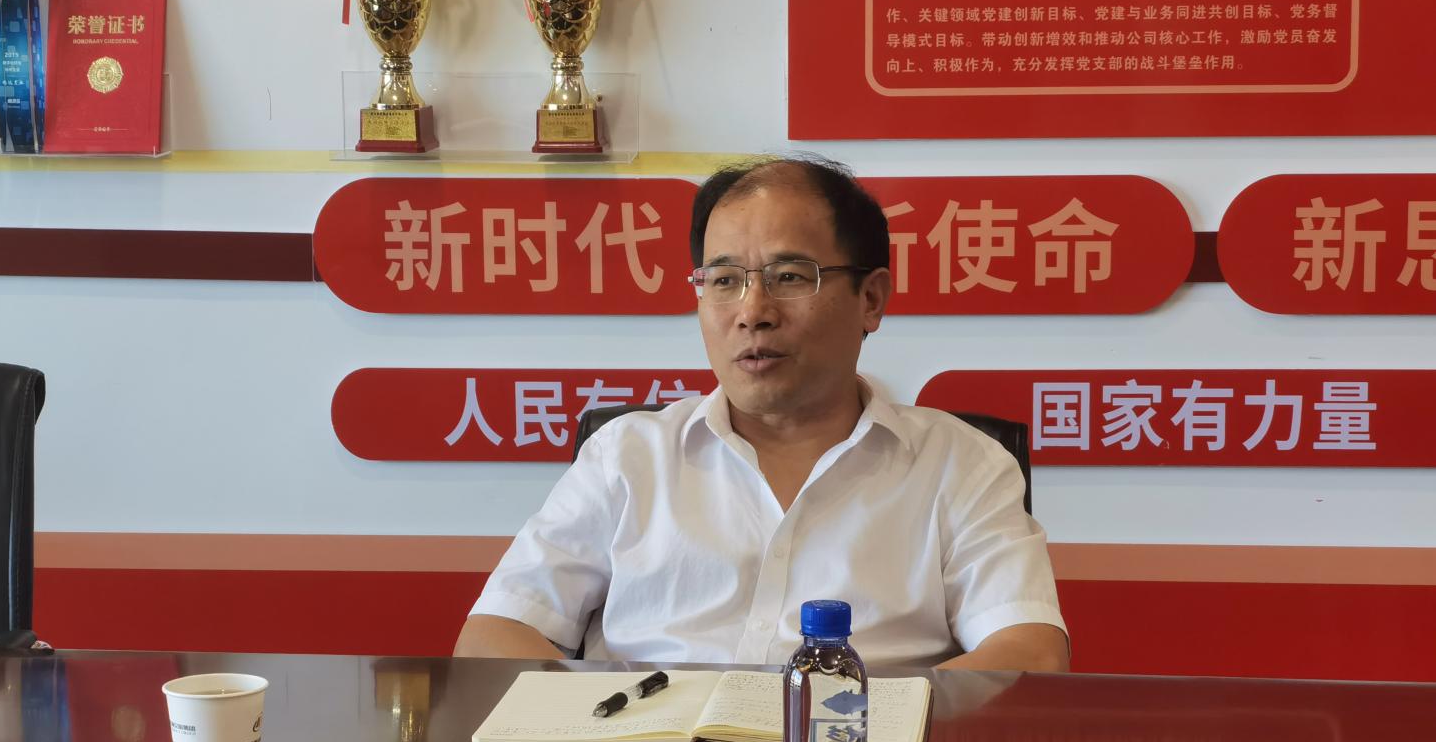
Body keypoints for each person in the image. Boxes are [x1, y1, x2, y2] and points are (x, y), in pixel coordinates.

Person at [455, 156, 1068, 672]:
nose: (752, 312)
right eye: (724, 280)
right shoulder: (627, 455)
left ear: (871, 298)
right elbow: (494, 635)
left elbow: (1029, 651)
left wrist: (837, 721)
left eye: (790, 276)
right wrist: (618, 725)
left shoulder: (960, 464)